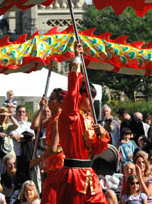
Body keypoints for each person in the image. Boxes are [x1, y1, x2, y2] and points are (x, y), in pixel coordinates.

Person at [54, 43, 109, 203]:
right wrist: (77, 60)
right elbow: (72, 92)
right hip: (73, 176)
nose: (91, 100)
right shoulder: (72, 115)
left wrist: (102, 134)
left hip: (88, 174)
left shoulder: (89, 119)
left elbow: (97, 148)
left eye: (93, 97)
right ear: (80, 96)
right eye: (88, 96)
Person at [30, 88, 66, 204]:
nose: (49, 101)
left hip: (59, 165)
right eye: (49, 99)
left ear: (60, 102)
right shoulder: (52, 118)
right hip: (51, 164)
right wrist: (41, 109)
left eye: (52, 99)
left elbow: (54, 148)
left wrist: (37, 160)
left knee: (51, 198)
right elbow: (34, 126)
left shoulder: (59, 119)